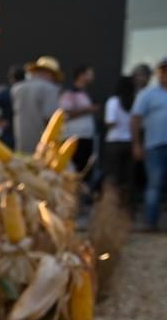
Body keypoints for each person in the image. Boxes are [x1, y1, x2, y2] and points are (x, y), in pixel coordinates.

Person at [132, 57, 167, 230]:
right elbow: (136, 119)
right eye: (163, 70)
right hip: (154, 146)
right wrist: (137, 144)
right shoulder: (147, 95)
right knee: (154, 184)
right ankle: (150, 222)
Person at [11, 56, 63, 154]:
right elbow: (51, 118)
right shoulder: (49, 88)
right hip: (41, 145)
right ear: (49, 74)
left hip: (20, 141)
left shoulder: (17, 88)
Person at [58, 65, 98, 182]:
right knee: (72, 170)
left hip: (86, 136)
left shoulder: (86, 93)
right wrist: (88, 109)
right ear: (81, 75)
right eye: (89, 74)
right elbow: (65, 113)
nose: (92, 77)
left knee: (83, 170)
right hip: (73, 136)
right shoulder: (69, 93)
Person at [103, 75, 136, 211]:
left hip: (114, 142)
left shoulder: (113, 101)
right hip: (130, 142)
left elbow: (110, 122)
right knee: (127, 177)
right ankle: (126, 207)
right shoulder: (135, 101)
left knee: (113, 176)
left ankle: (111, 206)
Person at [0, 65, 24, 149]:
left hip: (9, 131)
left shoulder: (7, 92)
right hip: (23, 129)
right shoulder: (26, 92)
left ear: (11, 78)